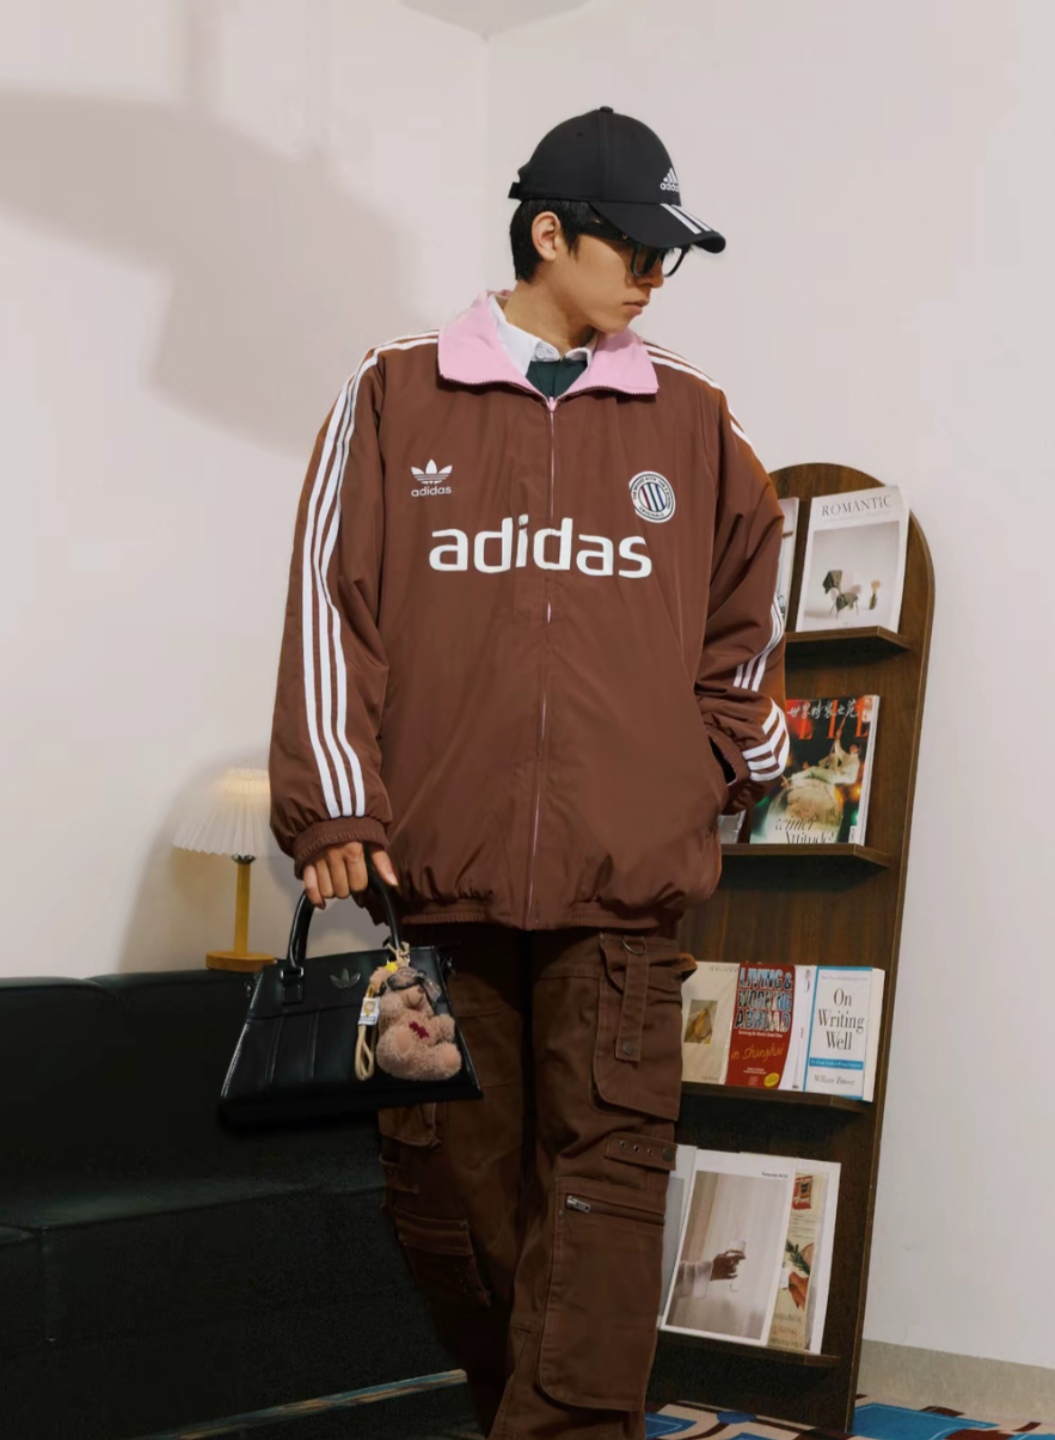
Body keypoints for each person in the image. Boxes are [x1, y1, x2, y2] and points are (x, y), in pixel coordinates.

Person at [268, 105, 787, 1440]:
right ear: (549, 233)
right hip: (441, 878)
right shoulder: (394, 393)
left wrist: (709, 765)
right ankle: (524, 1408)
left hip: (623, 887)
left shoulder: (694, 419)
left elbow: (749, 619)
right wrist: (335, 803)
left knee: (608, 1186)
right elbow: (332, 605)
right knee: (448, 1193)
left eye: (670, 256)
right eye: (636, 248)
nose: (655, 277)